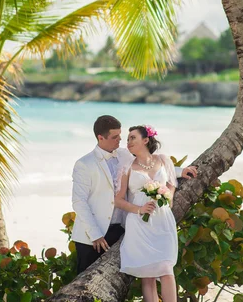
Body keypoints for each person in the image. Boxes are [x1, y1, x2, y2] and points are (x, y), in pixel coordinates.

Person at [71, 115, 197, 275]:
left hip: (120, 230)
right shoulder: (84, 164)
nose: (120, 140)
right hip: (91, 237)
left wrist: (180, 171)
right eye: (115, 137)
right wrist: (95, 235)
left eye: (120, 135)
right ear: (100, 137)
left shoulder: (125, 154)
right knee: (85, 283)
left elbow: (148, 166)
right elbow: (79, 202)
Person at [114, 124, 187, 302]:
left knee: (166, 269)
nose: (128, 143)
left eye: (132, 138)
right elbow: (118, 200)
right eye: (127, 139)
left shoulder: (164, 160)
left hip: (163, 220)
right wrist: (138, 209)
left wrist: (168, 197)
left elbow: (172, 184)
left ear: (146, 140)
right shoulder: (127, 167)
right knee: (147, 275)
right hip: (140, 223)